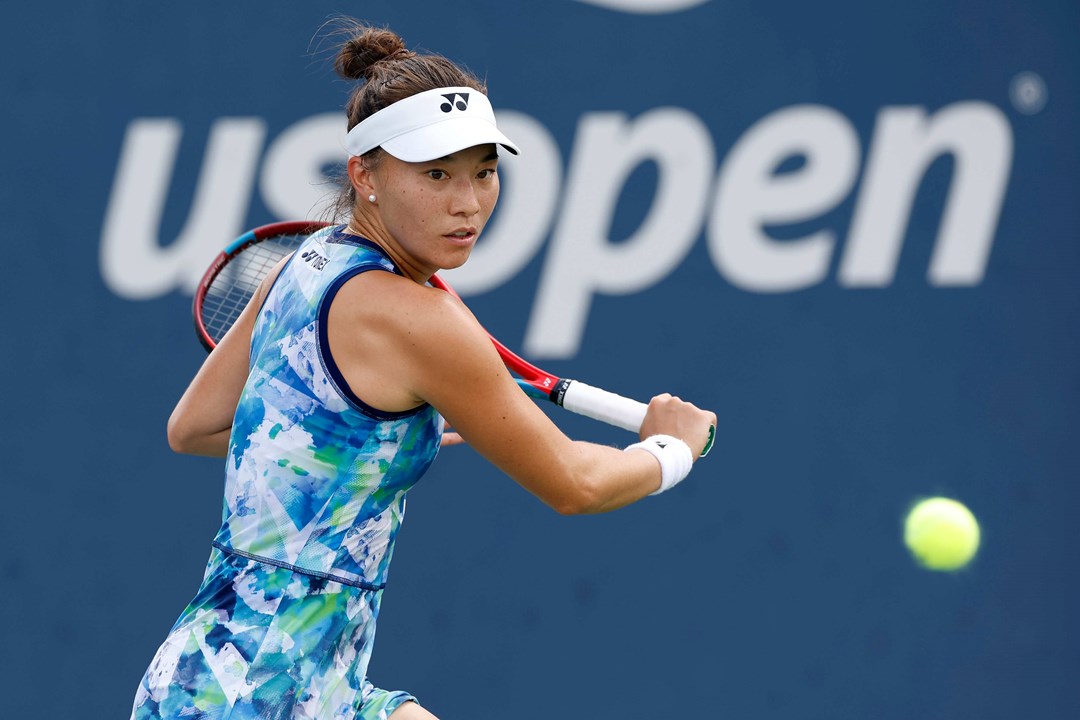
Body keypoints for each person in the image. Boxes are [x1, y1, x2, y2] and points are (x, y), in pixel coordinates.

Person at [131, 18, 716, 720]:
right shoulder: (424, 323)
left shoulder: (302, 264)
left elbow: (194, 428)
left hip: (232, 678)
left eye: (484, 172)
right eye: (435, 174)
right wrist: (669, 449)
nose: (466, 202)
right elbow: (576, 485)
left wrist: (358, 445)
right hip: (262, 698)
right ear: (364, 177)